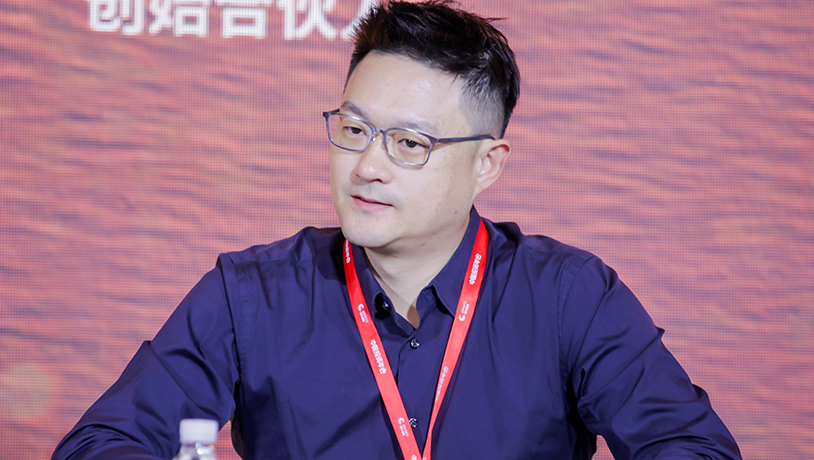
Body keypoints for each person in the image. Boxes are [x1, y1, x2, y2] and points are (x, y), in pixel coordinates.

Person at [53, 1, 742, 459]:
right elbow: (100, 443)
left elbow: (693, 447)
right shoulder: (251, 294)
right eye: (354, 130)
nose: (367, 166)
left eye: (409, 144)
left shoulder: (570, 296)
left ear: (487, 164)